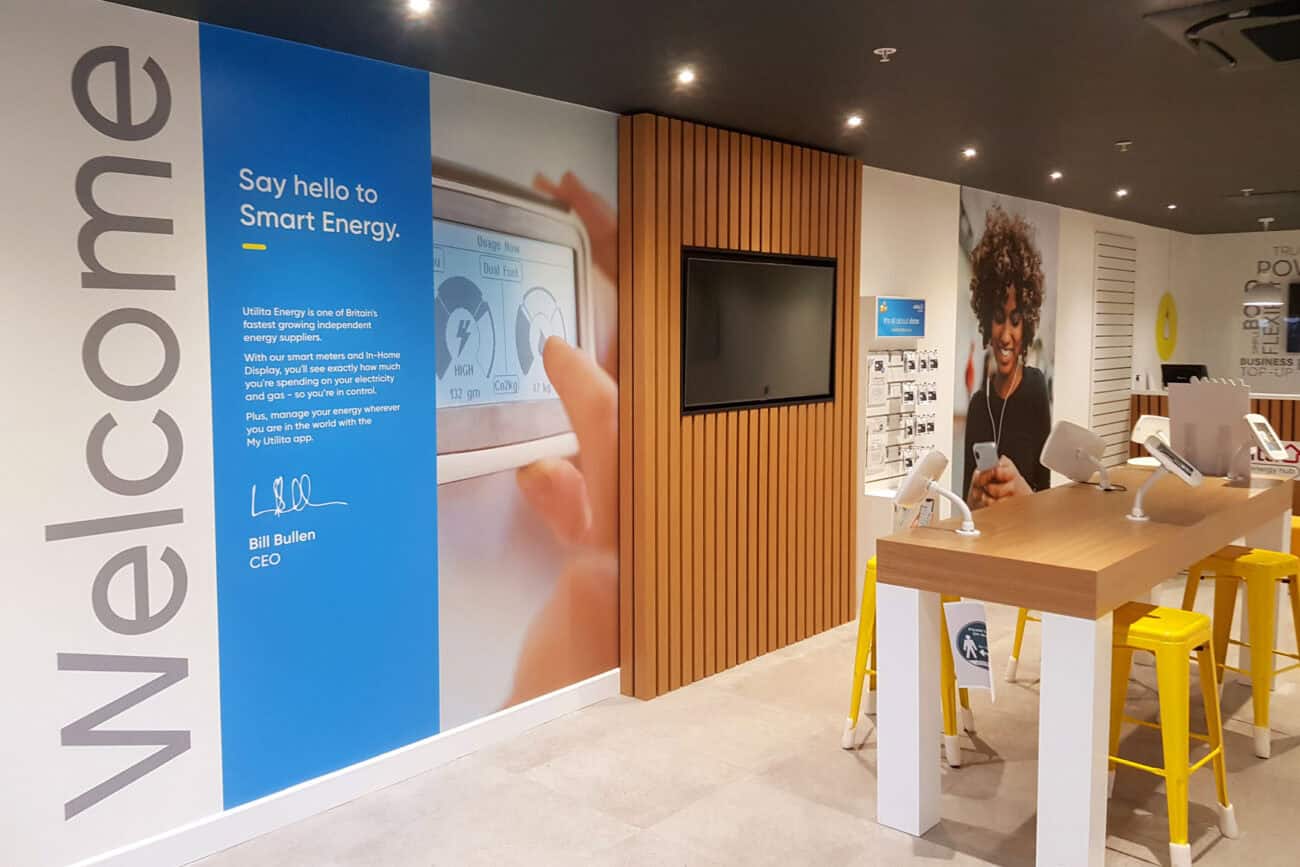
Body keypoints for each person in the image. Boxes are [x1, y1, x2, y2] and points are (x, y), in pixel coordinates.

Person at [962, 205, 1051, 510]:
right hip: (987, 535)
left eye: (1015, 321)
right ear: (987, 320)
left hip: (1026, 533)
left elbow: (1045, 493)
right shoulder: (978, 405)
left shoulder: (1035, 389)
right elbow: (965, 503)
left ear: (1027, 326)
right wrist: (975, 497)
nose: (1005, 335)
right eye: (999, 319)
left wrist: (1021, 492)